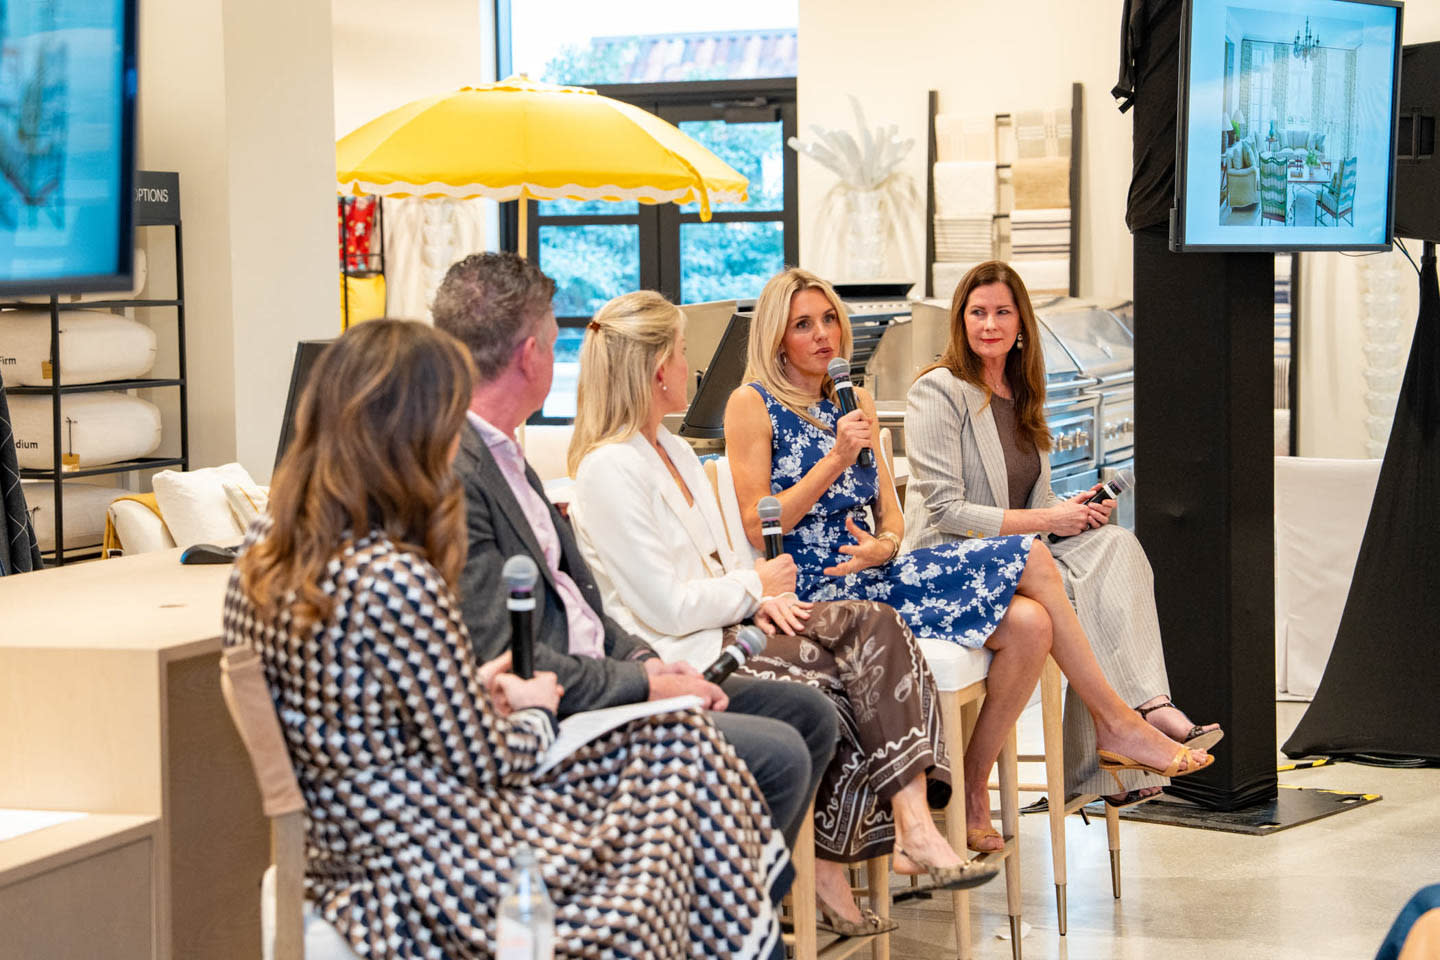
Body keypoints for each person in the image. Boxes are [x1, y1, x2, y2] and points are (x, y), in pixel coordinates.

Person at [223, 319, 787, 960]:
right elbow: (495, 763)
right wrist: (535, 703)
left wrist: (480, 690)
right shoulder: (396, 579)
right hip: (434, 873)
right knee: (683, 789)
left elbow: (386, 710)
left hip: (350, 852)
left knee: (682, 765)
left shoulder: (261, 558)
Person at [724, 267, 1214, 851]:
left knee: (1033, 624)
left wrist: (878, 546)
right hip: (816, 590)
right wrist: (836, 458)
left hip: (879, 576)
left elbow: (894, 520)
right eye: (804, 324)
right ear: (777, 336)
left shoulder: (852, 402)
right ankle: (1120, 722)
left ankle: (976, 788)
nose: (824, 334)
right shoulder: (750, 403)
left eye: (830, 318)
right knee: (1033, 558)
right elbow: (761, 520)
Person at [563, 291, 1001, 937]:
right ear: (657, 369)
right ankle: (832, 856)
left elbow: (715, 569)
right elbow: (665, 604)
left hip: (734, 619)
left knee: (877, 625)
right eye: (684, 354)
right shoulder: (607, 469)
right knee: (841, 676)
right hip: (690, 648)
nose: (692, 368)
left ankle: (908, 825)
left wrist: (762, 595)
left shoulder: (673, 450)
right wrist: (755, 586)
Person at [430, 252, 838, 868]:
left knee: (808, 714)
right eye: (550, 338)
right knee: (781, 750)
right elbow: (508, 654)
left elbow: (584, 604)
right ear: (529, 356)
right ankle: (718, 910)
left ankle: (719, 905)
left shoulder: (508, 461)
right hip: (565, 714)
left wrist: (644, 660)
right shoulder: (466, 476)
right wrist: (645, 679)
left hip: (616, 666)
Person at [904, 260, 1222, 804]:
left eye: (1002, 312)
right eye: (977, 313)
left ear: (1021, 322)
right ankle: (1123, 741)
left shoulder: (1022, 391)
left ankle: (1143, 710)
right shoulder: (940, 390)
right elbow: (947, 512)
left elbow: (1024, 496)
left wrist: (1067, 508)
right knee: (1068, 589)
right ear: (960, 321)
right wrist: (1050, 520)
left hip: (1015, 552)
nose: (989, 325)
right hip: (950, 562)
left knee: (1117, 545)